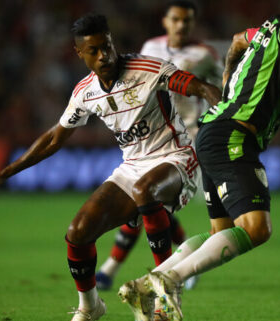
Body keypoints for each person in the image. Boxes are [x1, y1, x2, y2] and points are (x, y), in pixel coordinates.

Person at [0, 13, 221, 321]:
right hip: (133, 166)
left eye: (107, 46)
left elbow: (201, 87)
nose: (104, 55)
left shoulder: (147, 68)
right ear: (79, 53)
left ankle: (166, 294)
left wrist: (222, 116)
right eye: (94, 50)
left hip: (176, 156)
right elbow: (54, 139)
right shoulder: (85, 92)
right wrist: (4, 173)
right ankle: (90, 306)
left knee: (145, 191)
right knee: (78, 232)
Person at [119, 0, 280, 320]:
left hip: (215, 131)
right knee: (256, 228)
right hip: (233, 136)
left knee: (219, 233)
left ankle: (143, 286)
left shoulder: (265, 30)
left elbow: (238, 39)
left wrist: (227, 75)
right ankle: (170, 280)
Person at [95, 0, 222, 292]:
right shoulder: (150, 48)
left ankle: (113, 270)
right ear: (165, 21)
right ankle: (181, 266)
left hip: (185, 140)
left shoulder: (205, 54)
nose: (181, 25)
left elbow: (221, 88)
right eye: (176, 19)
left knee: (146, 204)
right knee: (149, 206)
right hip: (151, 138)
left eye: (187, 21)